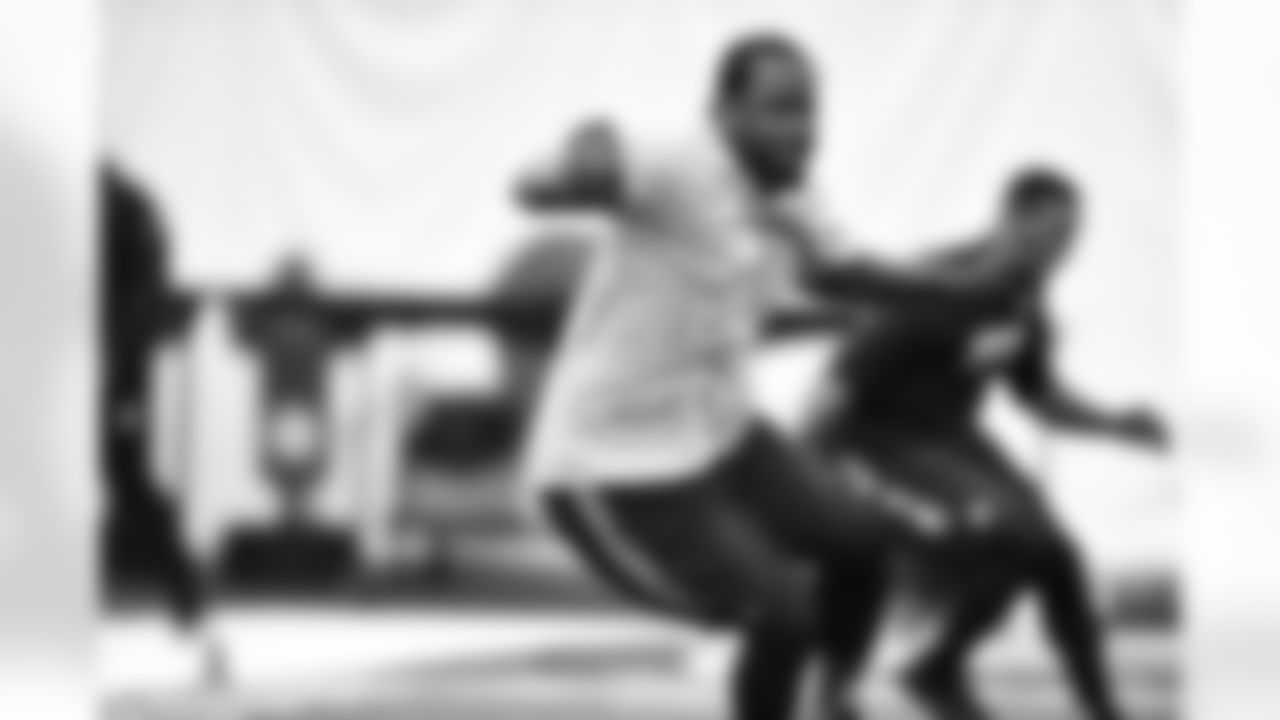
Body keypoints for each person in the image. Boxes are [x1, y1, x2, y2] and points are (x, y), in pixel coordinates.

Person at [514, 32, 1051, 720]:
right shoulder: (679, 160)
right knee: (782, 613)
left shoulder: (789, 192)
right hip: (619, 465)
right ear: (724, 113)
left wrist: (968, 291)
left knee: (861, 544)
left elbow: (844, 270)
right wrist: (569, 170)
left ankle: (836, 697)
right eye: (780, 109)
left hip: (723, 434)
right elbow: (578, 163)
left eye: (809, 110)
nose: (803, 129)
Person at [809, 168, 1170, 720]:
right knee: (1007, 535)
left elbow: (1040, 396)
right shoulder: (934, 282)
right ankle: (888, 670)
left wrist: (1116, 424)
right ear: (1010, 219)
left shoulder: (1025, 303)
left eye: (1073, 237)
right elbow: (837, 384)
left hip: (947, 441)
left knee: (1056, 552)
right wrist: (797, 484)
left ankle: (1094, 707)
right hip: (872, 440)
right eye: (1052, 233)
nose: (1063, 250)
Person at [101, 163, 224, 683]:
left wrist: (114, 366)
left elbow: (143, 294)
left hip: (106, 363)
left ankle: (193, 611)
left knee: (127, 481)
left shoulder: (122, 203)